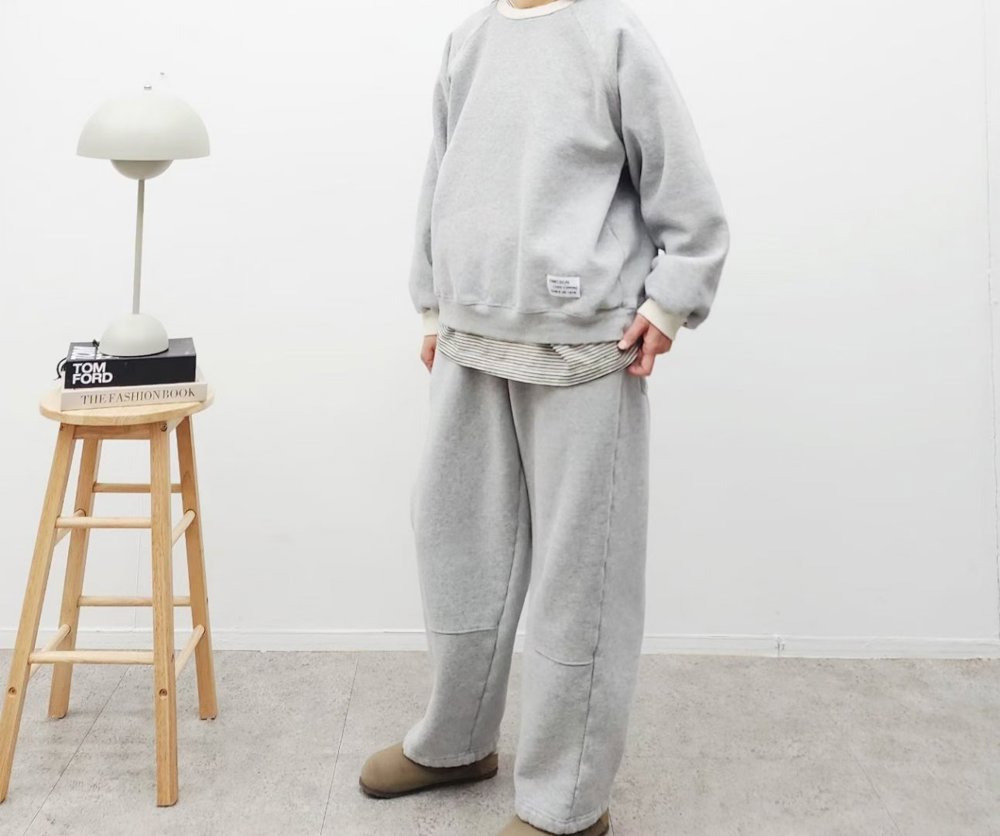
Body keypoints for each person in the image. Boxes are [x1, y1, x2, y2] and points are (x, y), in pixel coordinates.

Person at [359, 0, 730, 833]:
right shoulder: (468, 41)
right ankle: (456, 741)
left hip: (584, 346)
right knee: (456, 549)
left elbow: (685, 186)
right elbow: (440, 177)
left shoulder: (613, 36)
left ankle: (567, 800)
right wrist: (433, 305)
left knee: (581, 578)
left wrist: (670, 302)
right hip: (471, 338)